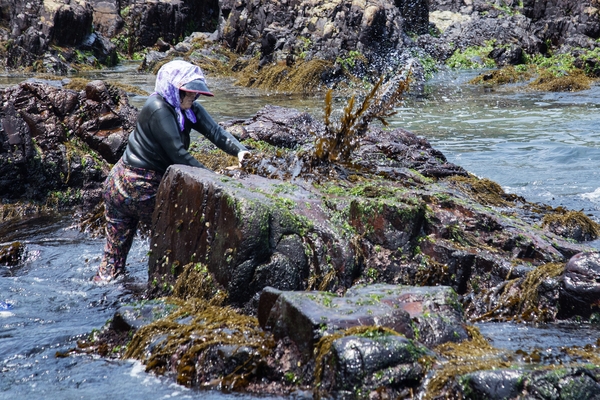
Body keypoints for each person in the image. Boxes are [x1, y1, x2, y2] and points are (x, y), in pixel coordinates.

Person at [94, 60, 250, 283]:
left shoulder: (188, 109)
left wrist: (241, 152)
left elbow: (216, 132)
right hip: (138, 186)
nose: (193, 98)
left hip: (120, 184)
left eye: (196, 94)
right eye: (189, 93)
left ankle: (107, 290)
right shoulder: (158, 108)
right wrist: (213, 179)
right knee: (180, 233)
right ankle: (165, 289)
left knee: (112, 263)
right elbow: (178, 154)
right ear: (173, 89)